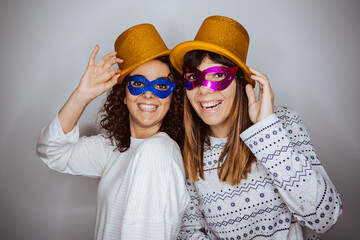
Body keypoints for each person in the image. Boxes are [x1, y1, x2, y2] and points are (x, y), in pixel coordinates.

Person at [170, 15, 342, 240]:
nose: (204, 90)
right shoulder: (188, 151)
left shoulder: (283, 123)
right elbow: (190, 232)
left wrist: (267, 131)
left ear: (242, 82)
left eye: (219, 75)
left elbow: (326, 217)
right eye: (194, 77)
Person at [36, 23, 189, 239]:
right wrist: (82, 95)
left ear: (173, 97)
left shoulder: (157, 152)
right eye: (138, 83)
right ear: (124, 95)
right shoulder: (115, 148)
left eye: (162, 86)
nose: (148, 94)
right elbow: (52, 152)